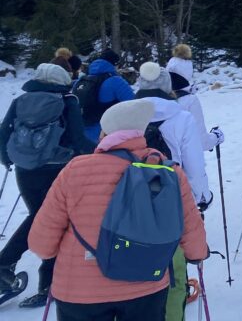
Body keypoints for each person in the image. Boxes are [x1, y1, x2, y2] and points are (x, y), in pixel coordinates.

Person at [28, 99, 207, 321]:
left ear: (105, 133)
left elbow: (41, 244)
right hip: (145, 285)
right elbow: (191, 228)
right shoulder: (166, 170)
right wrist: (197, 255)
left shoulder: (75, 170)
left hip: (79, 290)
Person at [0, 63, 94, 308]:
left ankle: (6, 265)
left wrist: (8, 159)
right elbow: (78, 137)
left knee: (38, 215)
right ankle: (47, 282)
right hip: (58, 168)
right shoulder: (68, 100)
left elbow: (4, 131)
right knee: (58, 221)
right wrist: (100, 153)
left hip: (26, 170)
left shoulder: (22, 99)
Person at [134, 62, 212, 321]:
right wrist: (201, 197)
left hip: (131, 198)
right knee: (173, 261)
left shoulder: (124, 114)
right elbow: (194, 165)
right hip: (173, 198)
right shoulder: (180, 116)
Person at [167, 44, 225, 152]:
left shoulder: (159, 98)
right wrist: (216, 137)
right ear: (188, 73)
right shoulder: (190, 101)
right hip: (184, 163)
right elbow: (201, 142)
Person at [73, 49, 134, 143]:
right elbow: (133, 103)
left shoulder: (81, 80)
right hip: (105, 135)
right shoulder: (115, 81)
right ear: (114, 64)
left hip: (82, 133)